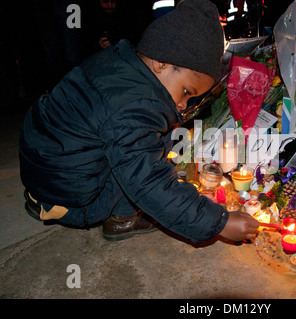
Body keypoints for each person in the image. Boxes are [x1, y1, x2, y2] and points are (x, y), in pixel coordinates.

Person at [19, 0, 259, 244]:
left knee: (151, 135)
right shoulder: (136, 106)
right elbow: (147, 181)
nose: (184, 104)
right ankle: (122, 218)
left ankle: (42, 199)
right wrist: (218, 222)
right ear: (161, 63)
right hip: (73, 200)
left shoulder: (117, 64)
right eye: (187, 91)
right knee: (143, 162)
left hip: (45, 174)